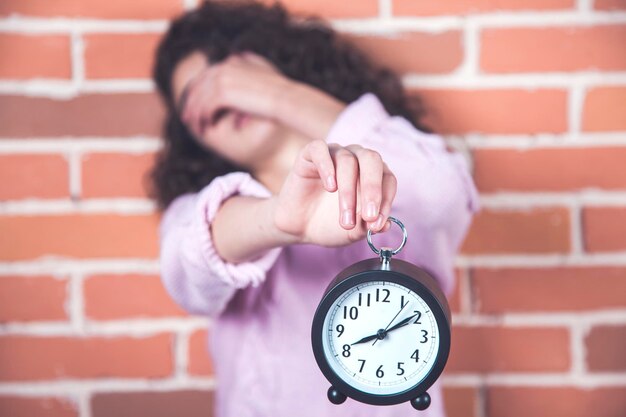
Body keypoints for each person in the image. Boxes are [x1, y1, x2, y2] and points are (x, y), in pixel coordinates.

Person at [151, 1, 479, 416]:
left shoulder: (399, 159)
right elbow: (189, 257)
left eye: (227, 76)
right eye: (194, 99)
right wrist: (280, 220)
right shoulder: (201, 210)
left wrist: (276, 94)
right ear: (192, 136)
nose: (219, 97)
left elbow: (438, 190)